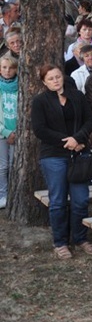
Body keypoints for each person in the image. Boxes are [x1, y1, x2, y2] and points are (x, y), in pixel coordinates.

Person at [31, 65, 92, 259]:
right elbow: (40, 130)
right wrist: (67, 142)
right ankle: (60, 242)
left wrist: (77, 139)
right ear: (44, 82)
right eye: (50, 78)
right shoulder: (40, 101)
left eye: (58, 76)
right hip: (53, 155)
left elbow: (89, 120)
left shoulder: (77, 96)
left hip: (78, 154)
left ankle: (80, 237)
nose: (55, 81)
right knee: (58, 201)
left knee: (80, 200)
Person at [0, 56, 18, 209]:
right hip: (2, 133)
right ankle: (3, 194)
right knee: (3, 166)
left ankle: (14, 194)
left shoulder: (21, 85)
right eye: (4, 67)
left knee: (14, 165)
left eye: (11, 68)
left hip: (17, 133)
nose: (7, 71)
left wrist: (16, 132)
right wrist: (5, 131)